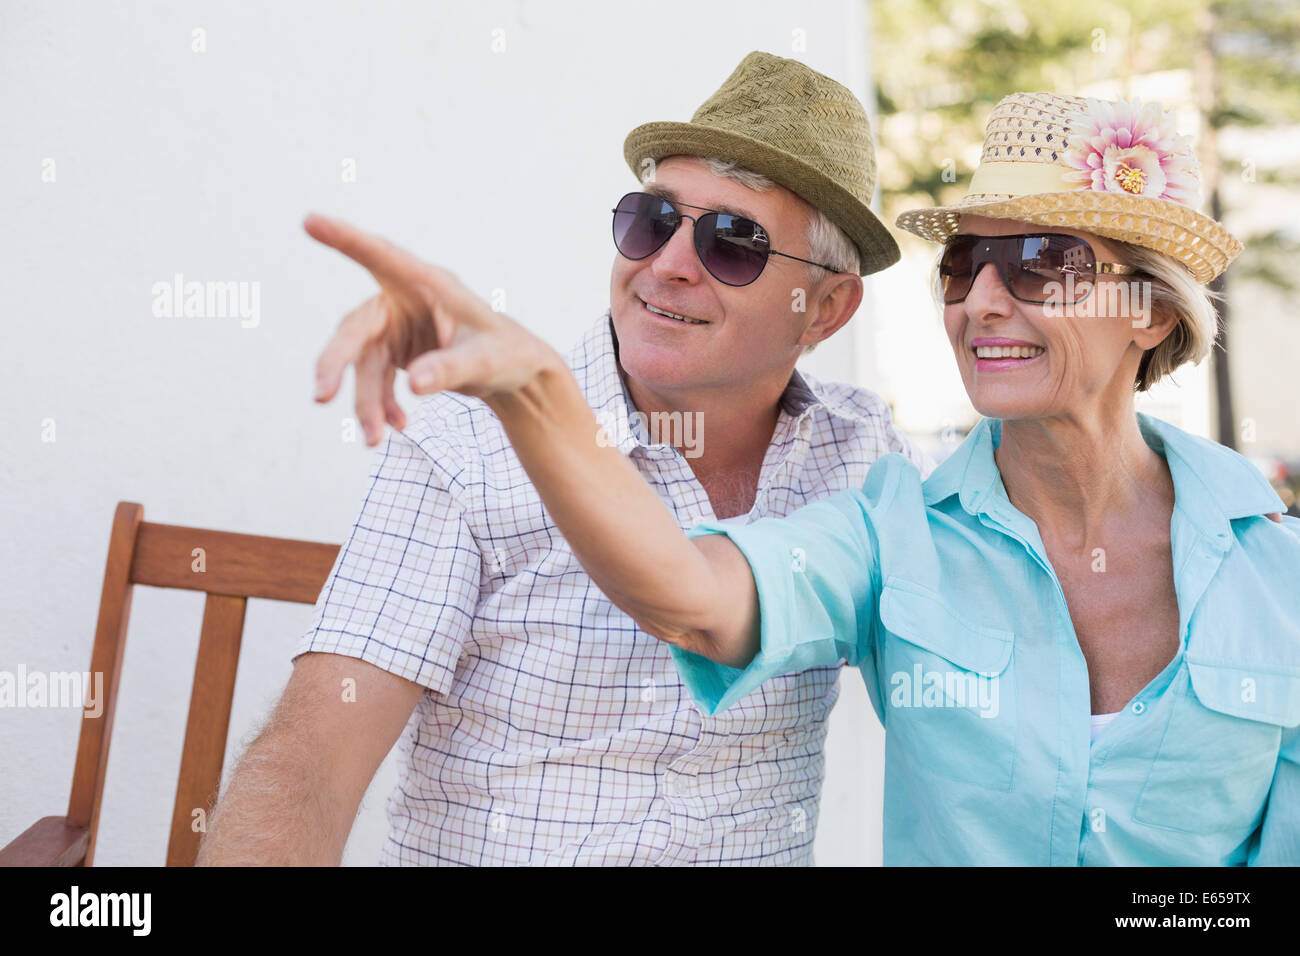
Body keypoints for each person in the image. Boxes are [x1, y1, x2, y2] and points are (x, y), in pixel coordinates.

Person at [280, 91, 1299, 865]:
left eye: (1037, 262)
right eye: (963, 266)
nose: (982, 300)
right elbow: (691, 595)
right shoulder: (896, 520)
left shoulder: (1272, 566)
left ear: (1149, 313)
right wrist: (537, 390)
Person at [197, 51, 929, 866]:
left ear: (825, 309)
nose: (668, 264)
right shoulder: (465, 449)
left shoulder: (862, 454)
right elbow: (311, 767)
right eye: (652, 220)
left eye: (732, 242)